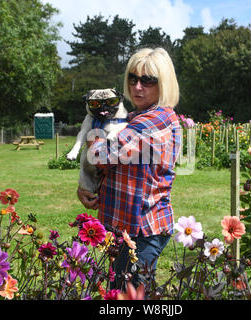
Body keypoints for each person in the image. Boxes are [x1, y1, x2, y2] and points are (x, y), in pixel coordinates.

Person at [77, 47, 182, 289]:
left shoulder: (154, 121)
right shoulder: (136, 117)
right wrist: (87, 185)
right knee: (122, 292)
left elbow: (99, 155)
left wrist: (94, 126)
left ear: (163, 83)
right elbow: (115, 166)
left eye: (147, 81)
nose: (137, 87)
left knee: (127, 296)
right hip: (128, 228)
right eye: (133, 79)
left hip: (143, 231)